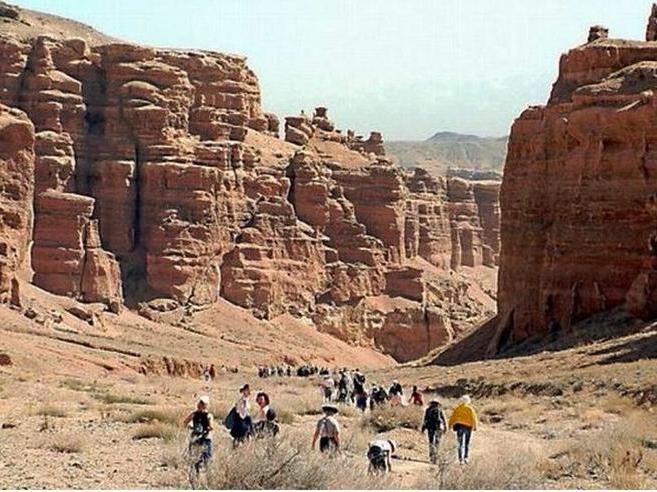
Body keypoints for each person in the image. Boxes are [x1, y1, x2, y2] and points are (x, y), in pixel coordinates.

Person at [183, 395, 214, 474]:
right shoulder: (208, 415)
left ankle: (197, 476)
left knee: (196, 459)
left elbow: (185, 422)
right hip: (205, 438)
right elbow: (211, 427)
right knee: (207, 459)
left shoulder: (194, 414)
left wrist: (192, 428)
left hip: (196, 438)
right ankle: (207, 476)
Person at [448, 395, 478, 464]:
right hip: (468, 427)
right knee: (467, 443)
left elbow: (453, 417)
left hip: (460, 427)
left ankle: (460, 459)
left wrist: (450, 425)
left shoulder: (458, 408)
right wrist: (475, 426)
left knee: (460, 443)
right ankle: (466, 458)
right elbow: (473, 418)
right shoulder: (470, 409)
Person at [422, 398, 447, 464]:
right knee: (437, 443)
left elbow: (425, 420)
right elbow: (443, 419)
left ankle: (431, 457)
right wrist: (445, 428)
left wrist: (423, 428)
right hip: (438, 428)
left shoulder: (428, 410)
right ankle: (436, 457)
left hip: (430, 428)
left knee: (431, 442)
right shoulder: (440, 410)